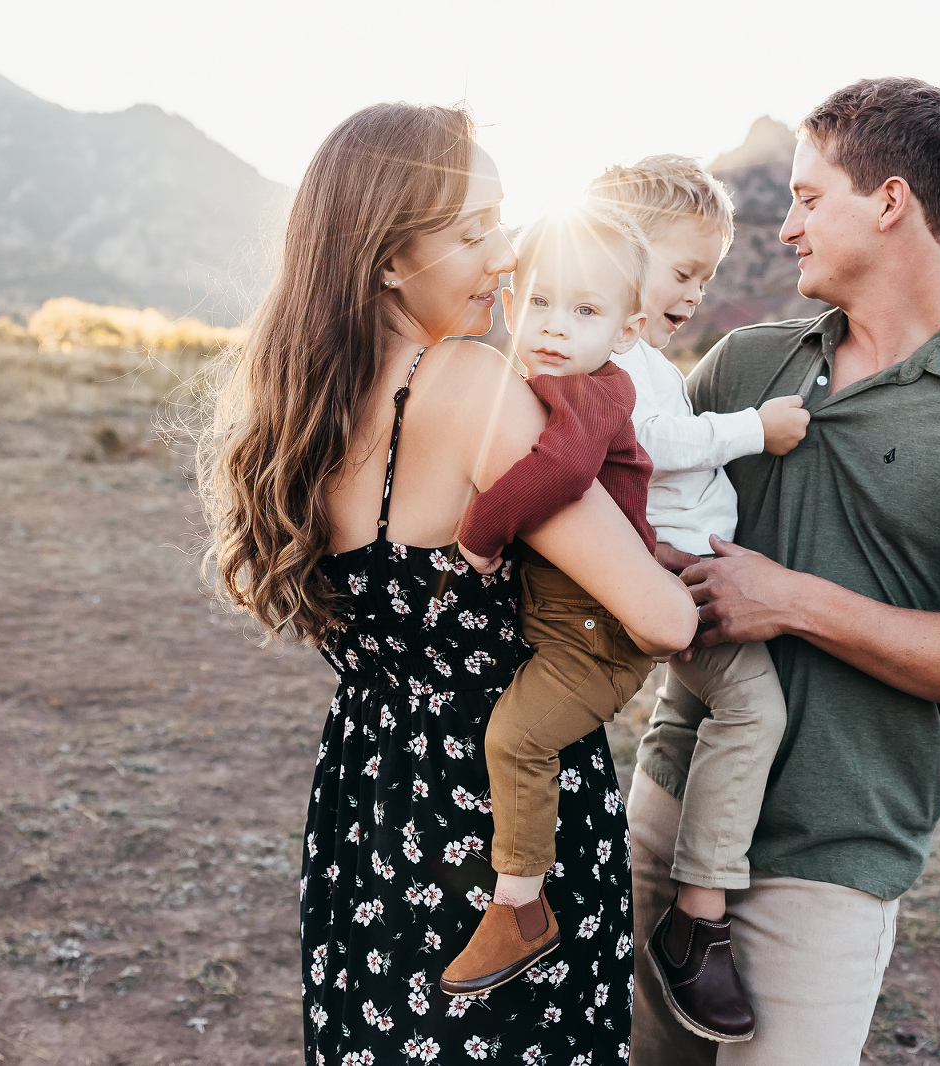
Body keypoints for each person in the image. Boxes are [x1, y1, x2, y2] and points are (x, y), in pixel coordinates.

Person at [200, 103, 697, 1066]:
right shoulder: (469, 385)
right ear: (388, 259)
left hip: (368, 800)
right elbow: (656, 614)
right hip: (499, 823)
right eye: (475, 232)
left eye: (504, 224)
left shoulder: (301, 405)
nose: (506, 257)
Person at [628, 77, 940, 1066]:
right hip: (668, 815)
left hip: (834, 864)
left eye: (808, 198)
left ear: (888, 202)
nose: (788, 227)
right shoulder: (740, 368)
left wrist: (791, 602)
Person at [589, 157, 810, 1044]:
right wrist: (758, 428)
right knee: (755, 709)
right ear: (617, 255)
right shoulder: (612, 361)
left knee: (743, 709)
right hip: (669, 579)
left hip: (681, 571)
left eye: (707, 277)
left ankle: (692, 903)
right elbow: (650, 442)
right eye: (683, 272)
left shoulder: (642, 355)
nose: (694, 293)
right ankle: (699, 911)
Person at [439, 204, 661, 995]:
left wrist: (481, 533)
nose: (555, 326)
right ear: (508, 303)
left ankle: (521, 907)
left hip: (598, 635)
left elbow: (563, 475)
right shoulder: (528, 384)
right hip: (566, 620)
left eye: (586, 310)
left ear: (627, 331)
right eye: (537, 300)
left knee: (517, 740)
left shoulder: (593, 393)